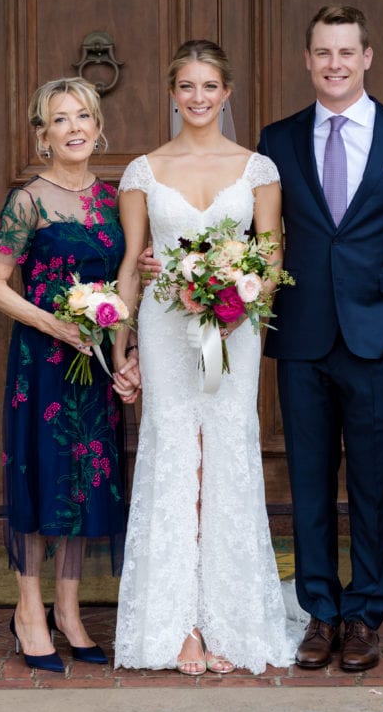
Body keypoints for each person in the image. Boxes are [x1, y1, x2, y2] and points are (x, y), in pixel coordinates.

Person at [257, 5, 383, 672]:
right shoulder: (276, 140)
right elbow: (253, 232)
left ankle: (365, 613)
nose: (334, 63)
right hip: (303, 335)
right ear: (307, 60)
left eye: (346, 51)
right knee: (309, 482)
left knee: (372, 485)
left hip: (381, 339)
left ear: (367, 57)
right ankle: (319, 611)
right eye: (322, 52)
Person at [110, 40, 297, 675]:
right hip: (166, 330)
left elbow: (270, 259)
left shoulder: (258, 170)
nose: (197, 98)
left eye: (209, 86)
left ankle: (228, 619)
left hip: (232, 329)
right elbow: (132, 264)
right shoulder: (142, 171)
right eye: (186, 87)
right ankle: (179, 623)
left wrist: (236, 291)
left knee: (224, 454)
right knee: (173, 455)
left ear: (227, 93)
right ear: (172, 93)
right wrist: (120, 348)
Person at [0, 77, 139, 673]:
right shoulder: (29, 201)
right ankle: (29, 611)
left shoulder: (113, 199)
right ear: (42, 134)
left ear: (99, 127)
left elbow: (126, 280)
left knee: (82, 483)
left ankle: (69, 612)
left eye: (83, 117)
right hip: (43, 366)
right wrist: (54, 324)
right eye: (59, 119)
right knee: (43, 478)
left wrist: (120, 352)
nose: (74, 128)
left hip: (93, 365)